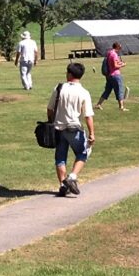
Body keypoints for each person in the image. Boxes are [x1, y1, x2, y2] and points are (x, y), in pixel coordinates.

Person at [48, 62, 96, 197]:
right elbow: (88, 115)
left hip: (59, 127)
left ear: (69, 74)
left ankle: (63, 184)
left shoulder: (59, 88)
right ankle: (72, 177)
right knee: (83, 153)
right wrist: (92, 133)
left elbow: (50, 109)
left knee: (60, 158)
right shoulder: (83, 92)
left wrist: (51, 122)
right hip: (75, 128)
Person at [96, 42, 127, 111]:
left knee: (107, 90)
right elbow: (115, 66)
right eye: (120, 48)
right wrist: (122, 65)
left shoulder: (109, 53)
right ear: (117, 47)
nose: (120, 49)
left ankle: (98, 104)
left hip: (109, 75)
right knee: (119, 90)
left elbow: (113, 63)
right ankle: (121, 107)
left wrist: (120, 63)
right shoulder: (114, 55)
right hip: (115, 75)